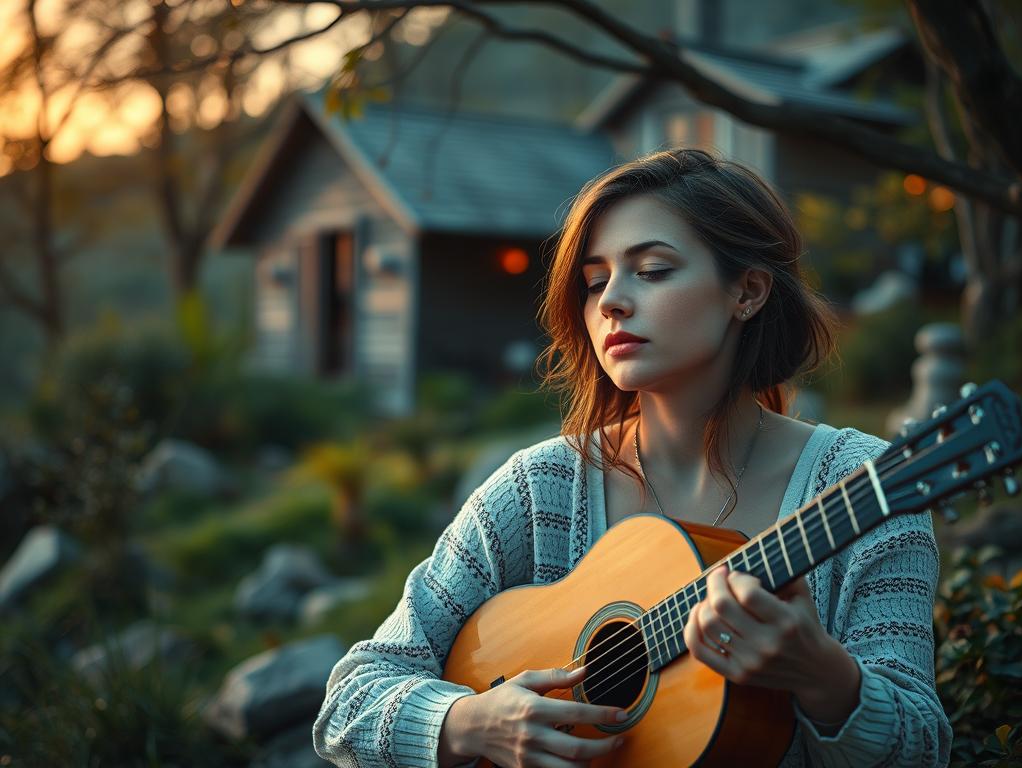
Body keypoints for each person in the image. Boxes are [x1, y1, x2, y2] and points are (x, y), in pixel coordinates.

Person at [313, 149, 952, 767]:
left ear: (748, 292)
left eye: (651, 270)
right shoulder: (538, 492)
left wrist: (826, 678)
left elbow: (923, 746)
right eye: (595, 282)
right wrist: (473, 724)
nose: (612, 301)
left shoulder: (863, 486)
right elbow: (351, 698)